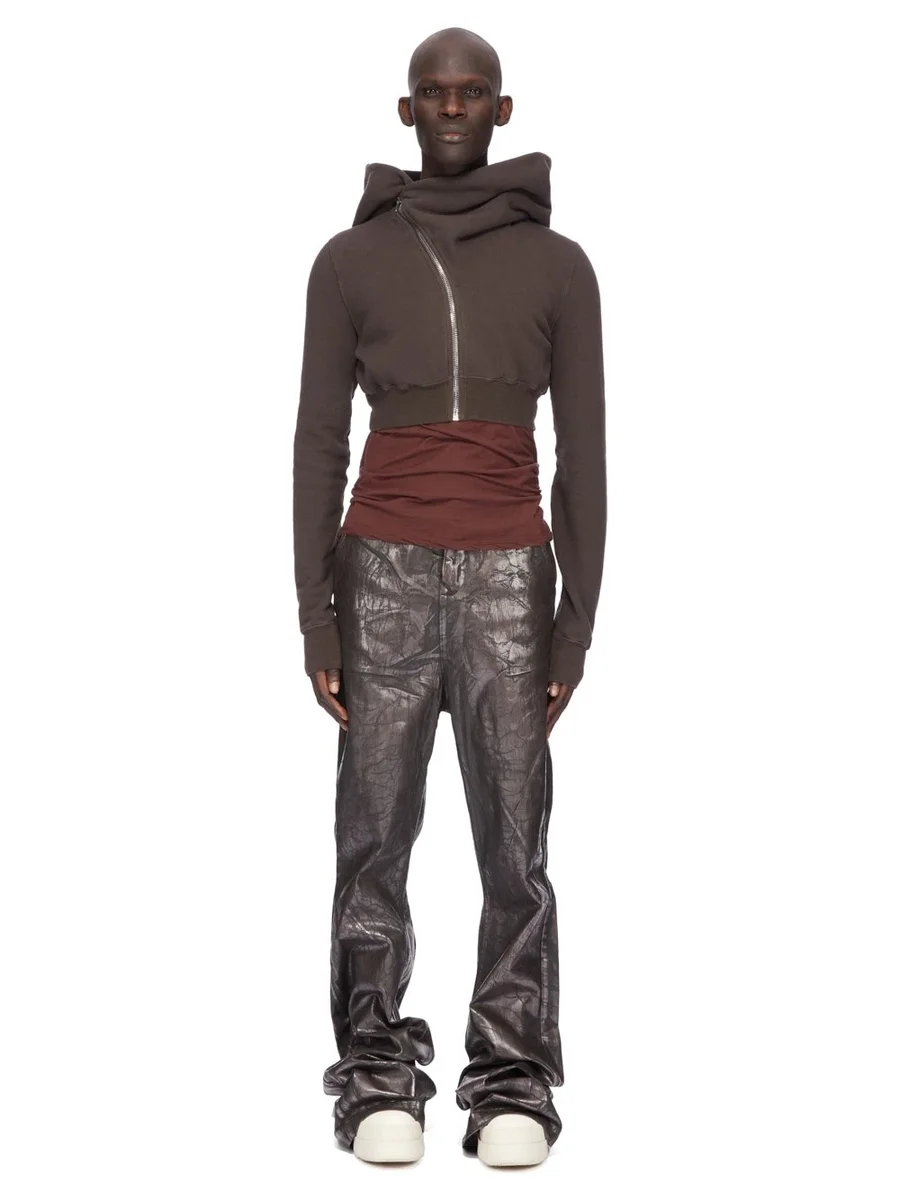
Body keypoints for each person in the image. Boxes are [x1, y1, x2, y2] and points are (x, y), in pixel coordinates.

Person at [292, 26, 607, 1167]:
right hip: (378, 572)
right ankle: (376, 1073)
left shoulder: (561, 267)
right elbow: (319, 440)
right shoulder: (348, 260)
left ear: (503, 111)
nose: (455, 108)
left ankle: (512, 1078)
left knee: (515, 846)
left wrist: (574, 627)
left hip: (512, 580)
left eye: (474, 93)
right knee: (372, 837)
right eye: (435, 93)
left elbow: (585, 454)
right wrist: (315, 612)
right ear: (407, 110)